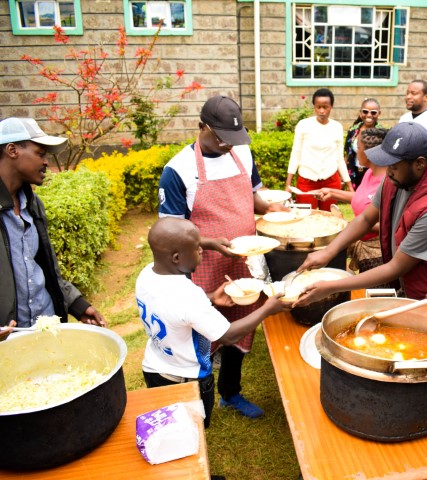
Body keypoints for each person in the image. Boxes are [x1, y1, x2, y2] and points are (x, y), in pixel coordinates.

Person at [158, 95, 285, 419]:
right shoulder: (178, 170)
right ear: (201, 126)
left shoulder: (241, 152)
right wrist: (211, 243)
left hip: (243, 260)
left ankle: (230, 392)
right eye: (221, 138)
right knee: (201, 332)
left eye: (233, 139)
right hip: (201, 267)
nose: (229, 146)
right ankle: (196, 400)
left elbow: (252, 195)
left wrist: (270, 208)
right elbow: (168, 234)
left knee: (239, 327)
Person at [293, 122, 427, 322]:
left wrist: (331, 286)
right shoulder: (396, 175)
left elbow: (396, 267)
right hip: (415, 284)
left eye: (393, 165)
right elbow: (366, 217)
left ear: (419, 163)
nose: (388, 171)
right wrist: (328, 251)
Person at [136, 217, 290, 428]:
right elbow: (228, 335)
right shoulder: (187, 294)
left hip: (155, 368)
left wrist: (210, 298)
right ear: (176, 257)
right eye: (196, 248)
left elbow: (172, 309)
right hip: (186, 378)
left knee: (171, 426)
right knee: (194, 429)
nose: (201, 251)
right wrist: (266, 309)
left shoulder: (146, 274)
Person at [0, 117, 106, 337]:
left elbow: (45, 267)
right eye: (40, 153)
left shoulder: (33, 205)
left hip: (44, 328)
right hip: (9, 339)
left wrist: (76, 304)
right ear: (12, 150)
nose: (46, 161)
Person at [317, 128, 388, 274]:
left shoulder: (388, 183)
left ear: (370, 153)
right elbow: (362, 198)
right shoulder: (370, 172)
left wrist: (350, 225)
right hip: (363, 245)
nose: (355, 152)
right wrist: (331, 192)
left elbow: (393, 226)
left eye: (358, 148)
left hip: (378, 254)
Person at [285, 88, 353, 211]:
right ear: (314, 107)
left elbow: (339, 159)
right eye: (318, 107)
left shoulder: (337, 127)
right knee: (304, 217)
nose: (321, 111)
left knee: (328, 219)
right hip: (306, 181)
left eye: (325, 107)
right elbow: (295, 155)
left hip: (331, 181)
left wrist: (349, 185)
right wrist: (288, 185)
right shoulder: (303, 125)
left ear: (331, 106)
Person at [344, 98, 384, 189]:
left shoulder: (381, 134)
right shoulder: (353, 131)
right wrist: (345, 177)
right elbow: (347, 155)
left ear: (379, 113)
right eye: (365, 111)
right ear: (360, 112)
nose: (369, 115)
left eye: (373, 112)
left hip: (373, 173)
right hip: (354, 172)